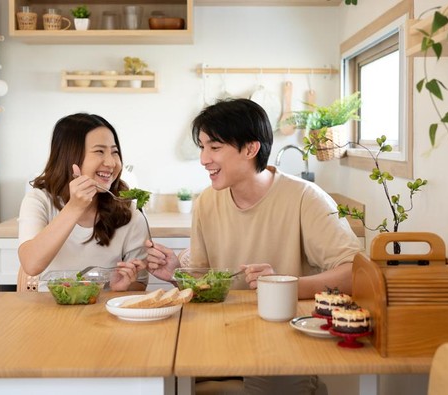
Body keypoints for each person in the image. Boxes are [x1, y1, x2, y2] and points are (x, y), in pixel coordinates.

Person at [141, 99, 363, 394]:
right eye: (203, 147)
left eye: (215, 148)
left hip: (282, 343)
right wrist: (175, 274)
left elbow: (354, 273)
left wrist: (284, 285)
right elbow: (204, 280)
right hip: (219, 337)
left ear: (250, 149)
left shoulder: (306, 198)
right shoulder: (207, 201)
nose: (204, 159)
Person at [18, 113, 148, 291]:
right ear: (70, 157)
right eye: (99, 151)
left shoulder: (128, 211)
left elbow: (140, 283)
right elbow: (31, 265)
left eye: (115, 152)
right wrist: (74, 208)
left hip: (104, 313)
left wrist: (122, 288)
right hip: (50, 310)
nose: (111, 162)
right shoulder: (39, 200)